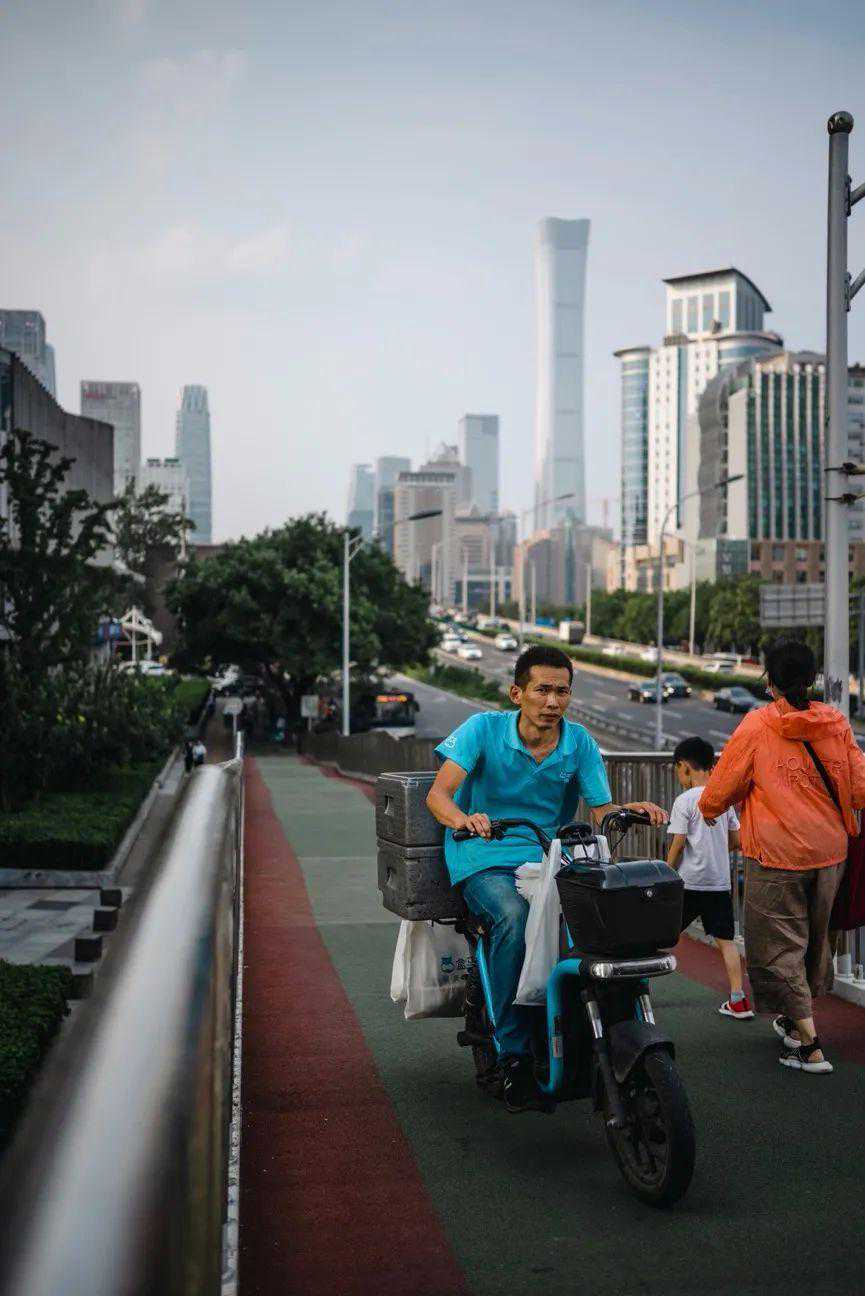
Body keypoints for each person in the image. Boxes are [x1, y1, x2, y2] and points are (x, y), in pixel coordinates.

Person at [426, 644, 667, 1113]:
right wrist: (463, 819)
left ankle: (598, 1024)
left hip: (551, 858)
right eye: (542, 690)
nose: (553, 701)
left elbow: (601, 810)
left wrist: (629, 810)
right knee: (513, 918)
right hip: (484, 856)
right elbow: (439, 795)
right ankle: (513, 1053)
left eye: (562, 692)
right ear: (517, 693)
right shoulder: (482, 729)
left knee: (603, 918)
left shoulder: (579, 742)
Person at [699, 639, 865, 1075]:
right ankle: (794, 1022)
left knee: (778, 947)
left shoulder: (758, 725)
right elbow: (859, 788)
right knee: (815, 939)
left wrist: (711, 809)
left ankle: (810, 1047)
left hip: (776, 855)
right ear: (811, 679)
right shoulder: (836, 723)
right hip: (830, 854)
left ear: (769, 681)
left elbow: (721, 787)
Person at [666, 736, 753, 1020]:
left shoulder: (684, 800)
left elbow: (678, 844)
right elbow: (737, 840)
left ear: (684, 767)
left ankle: (634, 988)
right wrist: (714, 848)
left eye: (678, 771)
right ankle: (738, 999)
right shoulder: (723, 800)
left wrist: (666, 872)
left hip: (689, 882)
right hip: (719, 883)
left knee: (661, 933)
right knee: (726, 941)